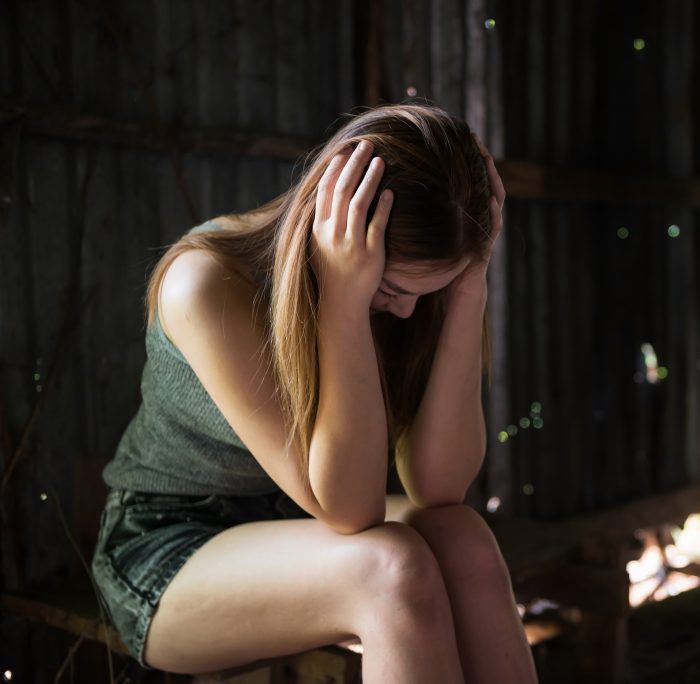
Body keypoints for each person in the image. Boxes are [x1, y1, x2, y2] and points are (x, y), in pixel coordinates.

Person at [90, 103, 537, 683]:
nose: (406, 310)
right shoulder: (204, 283)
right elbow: (350, 509)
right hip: (169, 544)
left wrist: (469, 286)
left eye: (429, 291)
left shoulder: (417, 296)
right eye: (395, 287)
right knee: (389, 568)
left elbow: (438, 485)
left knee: (465, 541)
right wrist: (344, 304)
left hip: (295, 522)